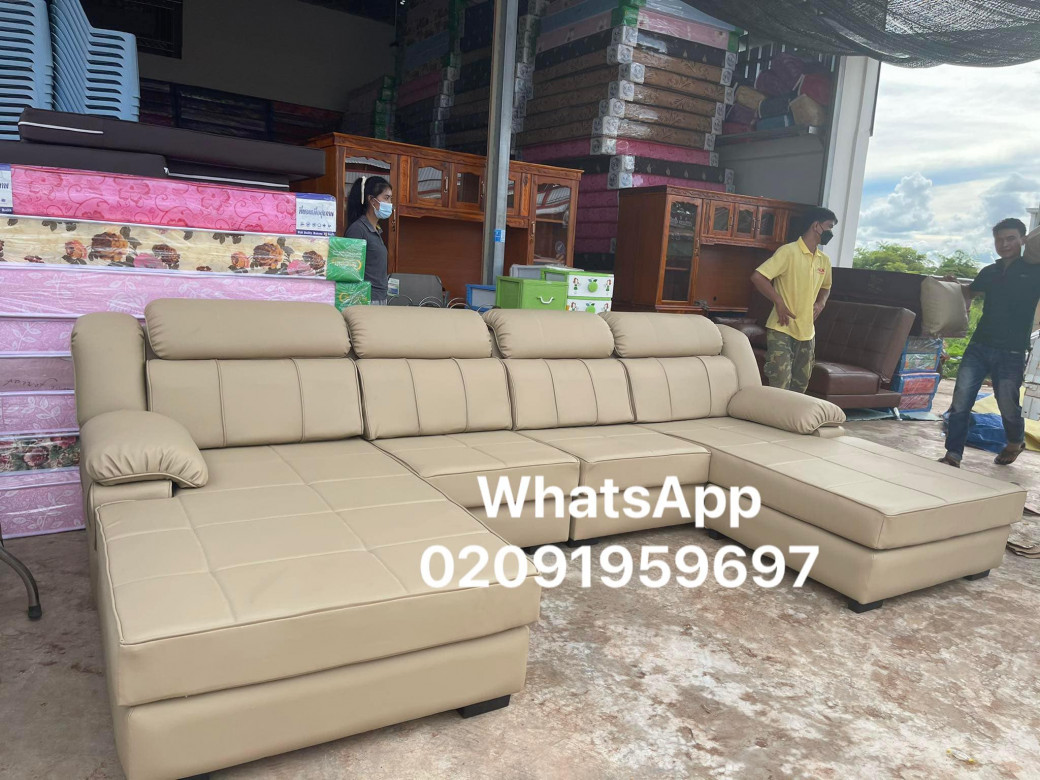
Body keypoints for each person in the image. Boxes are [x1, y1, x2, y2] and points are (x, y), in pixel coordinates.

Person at [940, 217, 1040, 468]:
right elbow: (970, 293)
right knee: (961, 401)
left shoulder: (1035, 271)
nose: (1004, 244)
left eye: (1010, 239)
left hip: (1012, 351)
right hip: (979, 346)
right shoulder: (990, 271)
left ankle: (1015, 441)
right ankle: (953, 455)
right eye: (999, 239)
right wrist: (954, 285)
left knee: (1007, 403)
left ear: (1023, 240)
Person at [749, 207, 838, 393]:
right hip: (782, 328)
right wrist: (779, 302)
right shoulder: (788, 252)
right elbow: (758, 277)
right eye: (829, 227)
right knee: (780, 385)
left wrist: (821, 303)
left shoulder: (824, 260)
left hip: (807, 333)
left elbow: (826, 287)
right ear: (816, 226)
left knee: (800, 388)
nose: (831, 232)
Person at [344, 175, 393, 304]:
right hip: (366, 299)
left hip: (379, 298)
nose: (390, 203)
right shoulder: (357, 230)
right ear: (372, 200)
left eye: (390, 198)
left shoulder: (376, 229)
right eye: (386, 198)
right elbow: (349, 271)